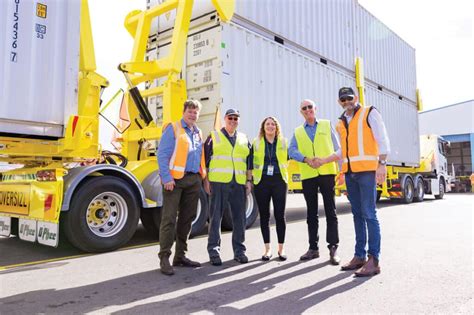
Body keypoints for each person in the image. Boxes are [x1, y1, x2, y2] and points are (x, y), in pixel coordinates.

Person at [335, 87, 391, 277]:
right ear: (339, 102)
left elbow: (382, 139)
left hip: (367, 172)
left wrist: (382, 164)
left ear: (356, 98)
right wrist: (337, 168)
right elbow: (343, 152)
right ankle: (359, 256)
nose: (346, 102)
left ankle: (373, 260)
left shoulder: (369, 112)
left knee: (369, 213)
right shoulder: (341, 122)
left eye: (349, 98)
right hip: (351, 174)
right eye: (343, 99)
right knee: (357, 214)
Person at [157, 100, 207, 276]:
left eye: (195, 112)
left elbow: (200, 157)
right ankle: (164, 258)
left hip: (193, 180)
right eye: (190, 111)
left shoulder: (198, 132)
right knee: (169, 219)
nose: (192, 115)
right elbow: (162, 154)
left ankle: (180, 256)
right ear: (184, 111)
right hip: (175, 181)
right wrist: (166, 177)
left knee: (187, 219)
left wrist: (203, 178)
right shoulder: (174, 128)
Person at [289, 99, 341, 265]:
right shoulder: (298, 131)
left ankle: (333, 248)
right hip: (308, 175)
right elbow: (291, 150)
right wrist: (305, 159)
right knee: (311, 213)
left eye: (310, 107)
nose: (308, 110)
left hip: (326, 173)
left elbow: (339, 148)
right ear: (301, 112)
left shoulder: (326, 125)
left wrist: (326, 161)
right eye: (304, 108)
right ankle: (313, 248)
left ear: (315, 109)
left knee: (330, 211)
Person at [204, 109, 253, 266]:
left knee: (240, 218)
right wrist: (206, 180)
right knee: (216, 217)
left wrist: (249, 181)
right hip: (219, 182)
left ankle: (239, 251)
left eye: (236, 118)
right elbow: (205, 159)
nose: (233, 120)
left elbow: (249, 161)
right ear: (225, 119)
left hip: (238, 182)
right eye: (230, 118)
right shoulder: (214, 136)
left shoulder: (244, 138)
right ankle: (214, 252)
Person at [252, 117, 289, 261]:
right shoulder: (256, 142)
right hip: (262, 182)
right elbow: (250, 161)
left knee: (280, 215)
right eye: (267, 124)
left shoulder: (283, 142)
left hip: (279, 181)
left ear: (277, 127)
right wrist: (250, 180)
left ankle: (281, 248)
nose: (270, 126)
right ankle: (267, 249)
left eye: (273, 124)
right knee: (265, 216)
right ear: (263, 127)